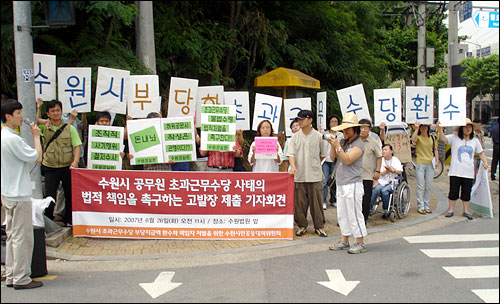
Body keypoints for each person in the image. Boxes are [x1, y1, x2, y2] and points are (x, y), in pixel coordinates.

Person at [1, 99, 44, 289]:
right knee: (22, 238)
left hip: (8, 194)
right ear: (8, 116)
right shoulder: (13, 139)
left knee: (12, 236)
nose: (21, 117)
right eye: (18, 113)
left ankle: (11, 274)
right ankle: (21, 278)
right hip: (19, 195)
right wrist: (36, 137)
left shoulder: (3, 137)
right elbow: (38, 156)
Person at [327, 113, 367, 254]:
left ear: (355, 129)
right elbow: (333, 158)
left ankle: (360, 242)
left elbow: (348, 159)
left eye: (348, 129)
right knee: (342, 213)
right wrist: (333, 145)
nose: (345, 131)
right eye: (344, 129)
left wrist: (337, 146)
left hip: (353, 183)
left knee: (355, 213)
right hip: (341, 182)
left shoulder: (359, 144)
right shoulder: (344, 142)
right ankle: (344, 240)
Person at [39, 100, 82, 226]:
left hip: (67, 166)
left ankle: (68, 219)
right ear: (48, 113)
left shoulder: (70, 128)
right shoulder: (43, 127)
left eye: (58, 110)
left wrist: (75, 161)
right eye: (52, 111)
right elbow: (32, 120)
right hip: (50, 166)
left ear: (62, 112)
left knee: (69, 194)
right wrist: (38, 107)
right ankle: (48, 220)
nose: (56, 113)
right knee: (49, 195)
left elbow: (77, 146)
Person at [287, 110, 328, 238]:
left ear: (310, 120)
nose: (299, 121)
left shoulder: (318, 136)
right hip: (299, 175)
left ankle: (319, 227)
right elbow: (291, 154)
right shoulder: (294, 137)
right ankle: (302, 226)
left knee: (317, 203)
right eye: (298, 119)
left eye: (302, 119)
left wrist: (313, 164)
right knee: (299, 204)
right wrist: (293, 167)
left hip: (315, 175)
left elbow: (322, 155)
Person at [437, 118, 488, 220]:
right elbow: (443, 139)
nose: (467, 129)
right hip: (455, 171)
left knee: (466, 192)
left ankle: (466, 211)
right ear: (461, 128)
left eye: (469, 127)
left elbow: (481, 152)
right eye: (465, 126)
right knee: (453, 192)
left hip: (468, 171)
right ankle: (451, 210)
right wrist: (439, 128)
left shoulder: (475, 141)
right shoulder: (454, 138)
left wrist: (485, 162)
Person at [411, 121, 438, 214]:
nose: (424, 128)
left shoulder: (433, 138)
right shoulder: (418, 138)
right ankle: (420, 205)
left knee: (428, 186)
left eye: (425, 126)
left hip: (430, 163)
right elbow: (413, 140)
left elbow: (435, 149)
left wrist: (437, 160)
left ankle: (426, 205)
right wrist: (416, 128)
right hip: (420, 163)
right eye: (422, 126)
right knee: (420, 186)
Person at [370, 144, 403, 219]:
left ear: (391, 151)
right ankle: (369, 207)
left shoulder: (395, 160)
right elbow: (379, 172)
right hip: (382, 181)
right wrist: (387, 171)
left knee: (385, 191)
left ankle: (386, 209)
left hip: (392, 182)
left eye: (385, 150)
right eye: (383, 150)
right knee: (376, 190)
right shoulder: (381, 160)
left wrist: (392, 170)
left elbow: (400, 170)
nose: (383, 151)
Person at [358, 118, 382, 222]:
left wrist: (377, 171)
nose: (363, 130)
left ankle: (364, 219)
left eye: (365, 128)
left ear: (369, 129)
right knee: (354, 199)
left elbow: (379, 157)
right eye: (361, 127)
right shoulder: (354, 141)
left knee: (366, 199)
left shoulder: (373, 142)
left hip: (367, 175)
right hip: (354, 175)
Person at [320, 115, 344, 209]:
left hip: (336, 160)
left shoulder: (340, 135)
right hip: (326, 160)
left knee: (334, 181)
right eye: (332, 121)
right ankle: (323, 200)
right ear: (329, 123)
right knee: (325, 181)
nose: (334, 123)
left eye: (336, 121)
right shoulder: (324, 134)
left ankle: (333, 200)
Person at [491, 117, 499, 181]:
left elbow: (492, 135)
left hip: (495, 144)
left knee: (494, 161)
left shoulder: (494, 127)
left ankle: (492, 174)